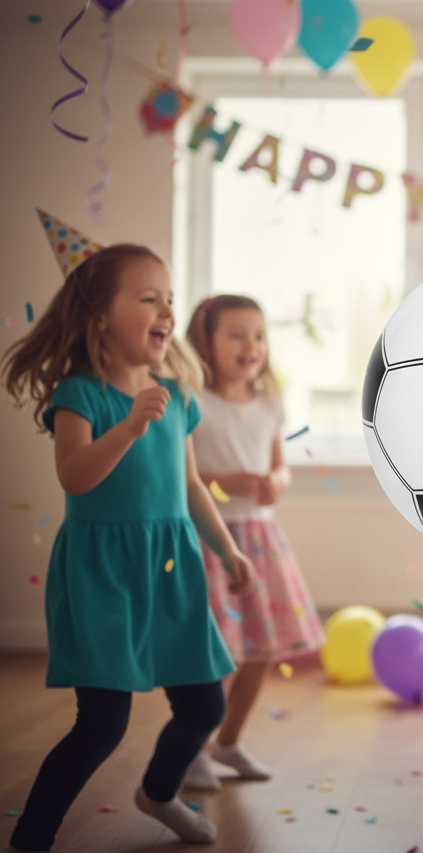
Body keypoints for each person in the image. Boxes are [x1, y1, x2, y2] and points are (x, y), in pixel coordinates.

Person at [1, 240, 253, 852]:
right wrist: (130, 424)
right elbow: (75, 477)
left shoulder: (178, 395)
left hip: (172, 569)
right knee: (102, 725)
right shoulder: (79, 394)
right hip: (104, 573)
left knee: (202, 707)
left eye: (169, 298)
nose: (167, 310)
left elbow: (190, 485)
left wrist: (225, 548)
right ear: (100, 318)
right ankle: (31, 838)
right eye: (148, 298)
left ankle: (159, 792)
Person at [181, 295, 325, 790]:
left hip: (262, 538)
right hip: (213, 539)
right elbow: (188, 477)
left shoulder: (269, 401)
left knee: (261, 649)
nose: (251, 346)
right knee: (217, 651)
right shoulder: (193, 402)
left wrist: (277, 482)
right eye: (237, 335)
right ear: (206, 341)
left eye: (259, 335)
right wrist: (225, 482)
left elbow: (278, 463)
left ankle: (228, 741)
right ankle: (191, 749)